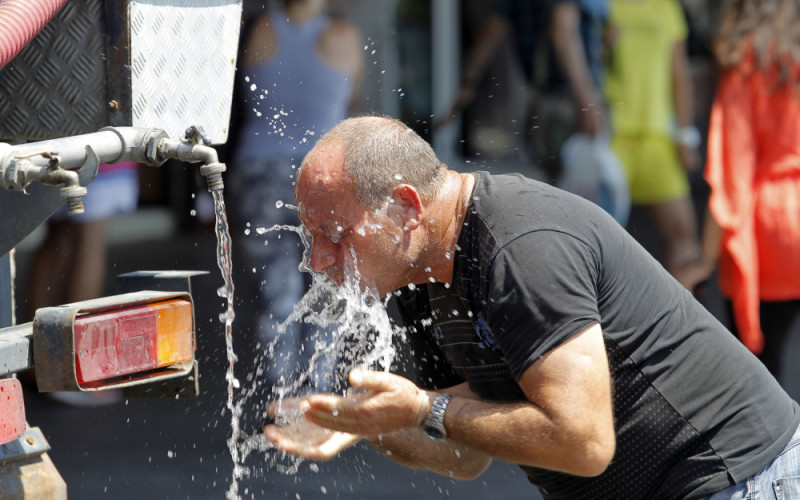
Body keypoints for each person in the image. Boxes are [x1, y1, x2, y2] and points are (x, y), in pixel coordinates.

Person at [263, 115, 800, 499]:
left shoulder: (521, 246)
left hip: (741, 476)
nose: (318, 260)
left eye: (334, 233)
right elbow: (465, 455)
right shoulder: (416, 275)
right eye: (312, 236)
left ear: (407, 206)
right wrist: (369, 424)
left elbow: (583, 441)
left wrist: (425, 410)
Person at [228, 0, 362, 392]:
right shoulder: (345, 36)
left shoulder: (260, 29)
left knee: (278, 293)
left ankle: (280, 399)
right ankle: (317, 400)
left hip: (259, 175)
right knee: (327, 288)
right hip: (325, 175)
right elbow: (350, 101)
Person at [677, 0, 800, 381]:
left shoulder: (747, 60)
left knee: (761, 370)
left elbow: (733, 173)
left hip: (769, 230)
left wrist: (704, 260)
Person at [440, 0, 609, 182]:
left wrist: (468, 84)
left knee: (555, 185)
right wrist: (588, 103)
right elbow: (563, 31)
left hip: (543, 102)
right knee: (582, 188)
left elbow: (491, 32)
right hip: (570, 105)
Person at [28, 161, 140, 406]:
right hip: (99, 155)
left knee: (60, 235)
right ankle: (74, 369)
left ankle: (35, 359)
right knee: (90, 238)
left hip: (57, 150)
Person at [604, 0, 702, 276]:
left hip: (658, 139)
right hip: (610, 139)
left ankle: (681, 319)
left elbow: (679, 74)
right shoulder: (602, 6)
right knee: (598, 241)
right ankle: (602, 319)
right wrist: (603, 48)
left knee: (684, 236)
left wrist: (684, 135)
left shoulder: (666, 8)